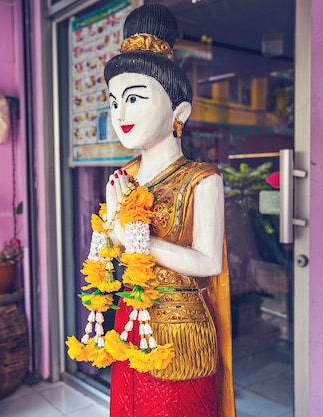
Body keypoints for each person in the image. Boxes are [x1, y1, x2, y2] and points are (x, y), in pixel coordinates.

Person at [103, 4, 235, 416]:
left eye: (135, 99)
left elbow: (209, 261)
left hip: (181, 331)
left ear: (179, 113)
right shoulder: (123, 177)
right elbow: (111, 252)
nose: (120, 114)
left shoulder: (202, 179)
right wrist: (111, 227)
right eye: (113, 102)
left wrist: (135, 237)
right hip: (131, 318)